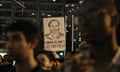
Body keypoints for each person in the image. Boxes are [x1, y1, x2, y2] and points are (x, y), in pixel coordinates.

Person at [64, 0, 120, 72]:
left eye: (92, 14)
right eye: (80, 17)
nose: (84, 22)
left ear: (114, 19)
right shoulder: (74, 65)